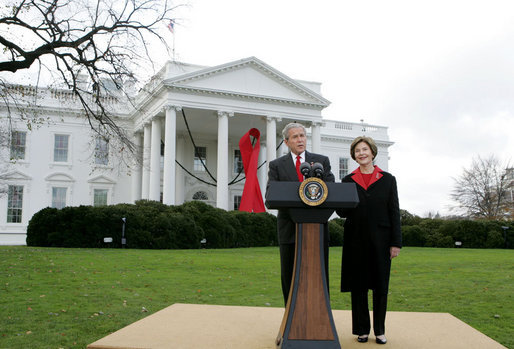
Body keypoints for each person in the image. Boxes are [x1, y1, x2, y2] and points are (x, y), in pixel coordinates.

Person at [336, 136, 402, 345]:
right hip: (355, 240)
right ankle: (362, 330)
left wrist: (396, 242)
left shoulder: (388, 179)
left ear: (372, 152)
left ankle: (380, 331)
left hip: (382, 241)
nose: (361, 153)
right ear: (354, 156)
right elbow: (341, 212)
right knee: (359, 286)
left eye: (364, 149)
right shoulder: (347, 181)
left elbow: (394, 212)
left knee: (380, 286)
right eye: (357, 151)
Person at [267, 122, 335, 305]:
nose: (300, 140)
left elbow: (332, 192)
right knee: (289, 276)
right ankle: (290, 318)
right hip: (289, 230)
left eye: (302, 136)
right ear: (286, 141)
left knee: (318, 275)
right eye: (295, 137)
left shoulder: (322, 161)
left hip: (317, 230)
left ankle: (320, 316)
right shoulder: (276, 166)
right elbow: (271, 195)